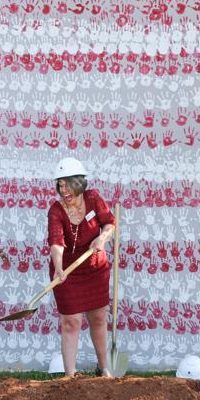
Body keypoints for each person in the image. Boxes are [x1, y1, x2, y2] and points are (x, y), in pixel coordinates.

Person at [47, 157, 116, 378]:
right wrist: (59, 268)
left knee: (98, 318)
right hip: (67, 271)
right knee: (71, 321)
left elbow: (110, 223)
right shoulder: (56, 210)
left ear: (79, 183)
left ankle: (104, 369)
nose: (63, 190)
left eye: (67, 184)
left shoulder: (93, 198)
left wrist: (102, 238)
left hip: (95, 269)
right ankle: (70, 376)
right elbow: (56, 243)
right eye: (60, 185)